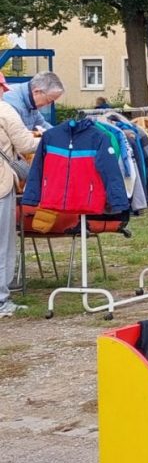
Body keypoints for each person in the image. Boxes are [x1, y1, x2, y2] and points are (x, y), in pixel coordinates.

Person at [0, 71, 39, 317]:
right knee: (2, 244)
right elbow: (26, 144)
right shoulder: (4, 110)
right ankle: (1, 300)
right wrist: (46, 138)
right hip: (0, 184)